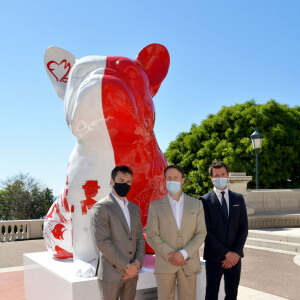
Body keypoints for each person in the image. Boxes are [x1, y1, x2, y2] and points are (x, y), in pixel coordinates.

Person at [146, 165, 207, 300]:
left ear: (183, 180)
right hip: (165, 263)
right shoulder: (155, 206)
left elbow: (201, 233)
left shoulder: (196, 204)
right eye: (169, 178)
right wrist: (172, 255)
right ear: (165, 180)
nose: (172, 181)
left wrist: (183, 254)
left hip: (189, 262)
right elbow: (151, 235)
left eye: (176, 178)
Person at [91, 165, 145, 300]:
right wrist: (127, 267)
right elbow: (102, 242)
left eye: (128, 182)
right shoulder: (101, 207)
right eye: (121, 181)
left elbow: (140, 238)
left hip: (132, 275)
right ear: (112, 181)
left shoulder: (134, 208)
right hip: (111, 274)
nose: (125, 185)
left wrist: (137, 264)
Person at [200, 161, 248, 300]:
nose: (220, 177)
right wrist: (226, 253)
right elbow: (206, 231)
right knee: (211, 294)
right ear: (211, 178)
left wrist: (236, 254)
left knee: (232, 294)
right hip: (214, 257)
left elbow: (243, 227)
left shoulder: (238, 198)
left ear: (228, 175)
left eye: (223, 174)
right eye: (216, 175)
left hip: (235, 258)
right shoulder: (204, 200)